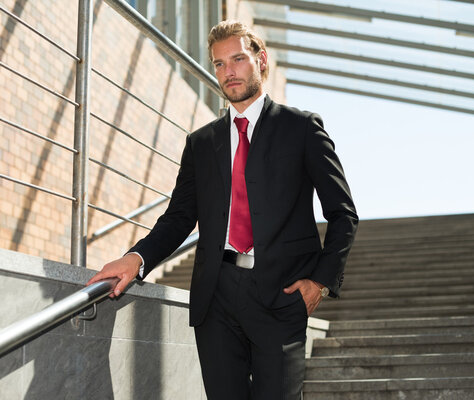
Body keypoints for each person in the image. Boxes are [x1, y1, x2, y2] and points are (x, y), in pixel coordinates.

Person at [87, 20, 358, 400]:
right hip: (217, 299)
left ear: (260, 61)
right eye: (218, 64)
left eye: (237, 59)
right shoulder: (201, 143)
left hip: (281, 294)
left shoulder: (302, 129)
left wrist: (321, 281)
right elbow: (180, 217)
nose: (228, 71)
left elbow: (343, 214)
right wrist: (136, 258)